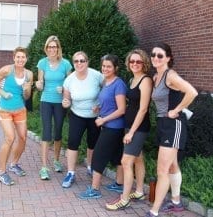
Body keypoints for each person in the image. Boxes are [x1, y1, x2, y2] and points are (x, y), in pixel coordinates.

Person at [146, 42, 198, 217]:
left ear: (168, 58)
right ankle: (176, 203)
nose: (155, 58)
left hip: (173, 124)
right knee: (172, 165)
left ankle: (154, 211)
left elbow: (192, 92)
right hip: (162, 124)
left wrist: (176, 110)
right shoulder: (155, 77)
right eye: (153, 55)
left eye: (160, 55)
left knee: (162, 170)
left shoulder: (170, 76)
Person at [106, 49, 153, 210]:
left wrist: (132, 132)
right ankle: (139, 191)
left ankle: (124, 199)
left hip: (139, 127)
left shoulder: (145, 80)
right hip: (130, 125)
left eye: (138, 61)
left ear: (144, 63)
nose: (134, 64)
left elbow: (143, 109)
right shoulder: (133, 79)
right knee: (138, 158)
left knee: (126, 161)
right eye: (132, 61)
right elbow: (130, 104)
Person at [78, 54, 127, 199]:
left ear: (116, 68)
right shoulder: (106, 82)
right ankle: (119, 184)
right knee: (118, 156)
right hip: (110, 125)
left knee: (98, 156)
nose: (105, 69)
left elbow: (121, 109)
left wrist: (103, 119)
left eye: (109, 66)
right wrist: (98, 109)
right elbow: (110, 104)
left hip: (113, 126)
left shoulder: (118, 84)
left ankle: (95, 190)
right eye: (104, 66)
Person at [0, 47, 33, 186]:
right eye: (18, 57)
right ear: (14, 58)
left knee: (23, 137)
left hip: (20, 109)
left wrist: (27, 90)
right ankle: (1, 172)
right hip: (4, 109)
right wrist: (2, 93)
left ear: (26, 59)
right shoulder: (7, 70)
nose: (20, 59)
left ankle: (13, 164)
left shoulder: (29, 74)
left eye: (23, 57)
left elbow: (26, 96)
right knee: (10, 137)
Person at [61, 51, 103, 188]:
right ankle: (71, 173)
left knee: (93, 143)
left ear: (87, 62)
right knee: (73, 143)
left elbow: (108, 89)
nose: (79, 63)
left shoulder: (96, 75)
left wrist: (100, 104)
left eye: (82, 61)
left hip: (94, 117)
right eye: (76, 61)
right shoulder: (69, 80)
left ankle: (90, 166)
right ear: (73, 63)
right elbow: (66, 99)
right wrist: (65, 102)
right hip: (77, 114)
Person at [35, 35, 72, 180]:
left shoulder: (66, 64)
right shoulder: (42, 63)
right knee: (46, 132)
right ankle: (44, 167)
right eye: (49, 47)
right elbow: (40, 83)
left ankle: (56, 160)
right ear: (46, 48)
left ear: (58, 48)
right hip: (46, 101)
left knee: (57, 131)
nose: (52, 49)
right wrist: (38, 86)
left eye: (54, 47)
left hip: (60, 102)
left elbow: (70, 83)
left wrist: (63, 89)